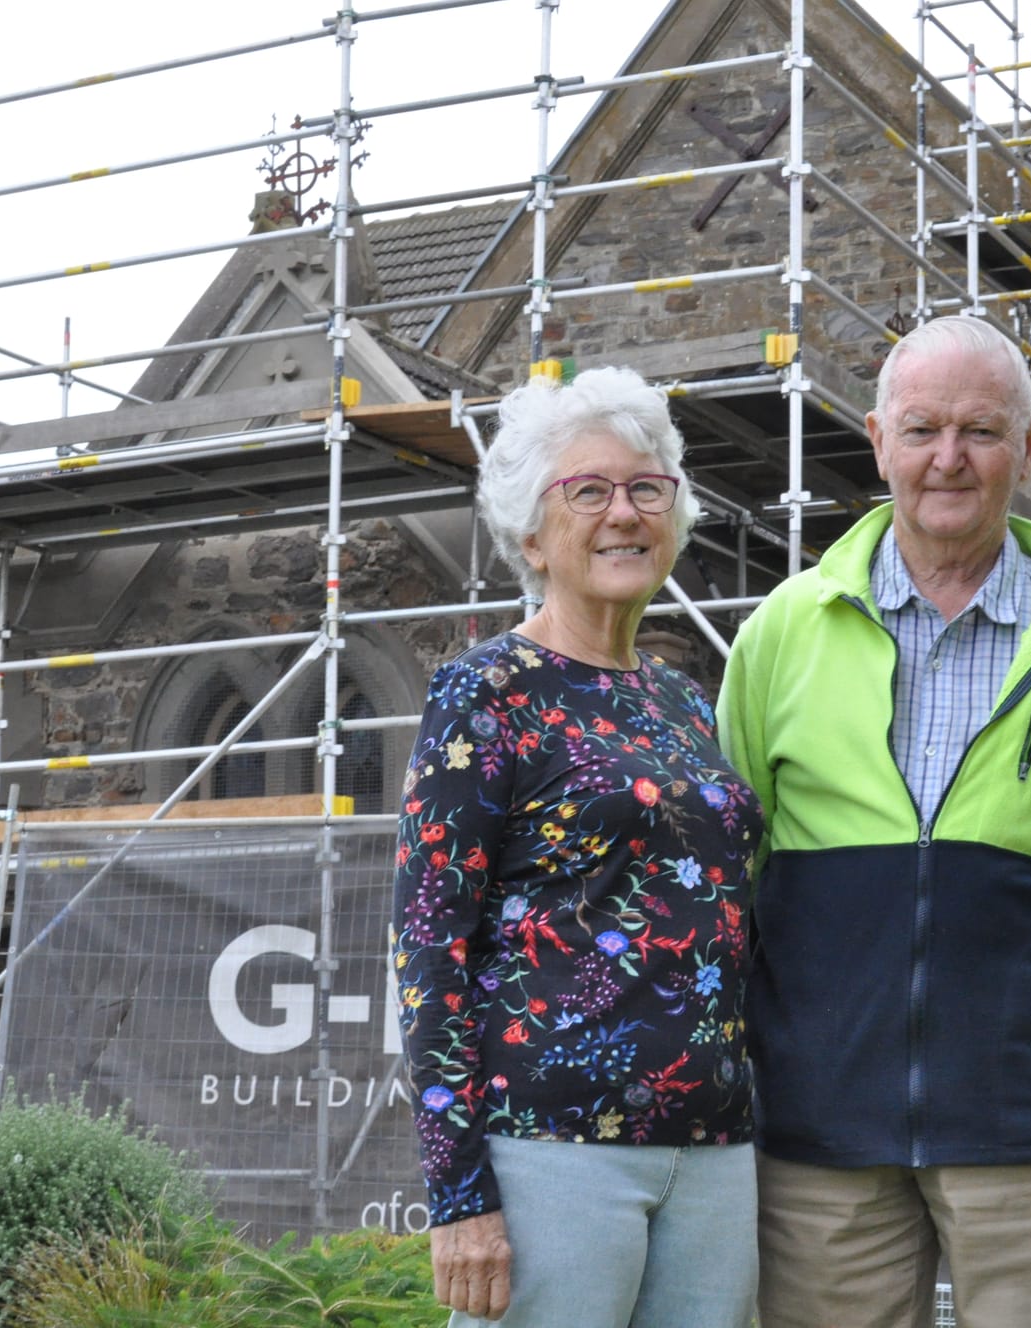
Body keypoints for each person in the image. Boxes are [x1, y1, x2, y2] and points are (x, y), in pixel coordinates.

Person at [716, 315, 1031, 1328]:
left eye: (981, 431)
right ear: (876, 439)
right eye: (921, 429)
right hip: (822, 1142)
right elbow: (732, 875)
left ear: (1029, 445)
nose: (947, 458)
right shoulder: (776, 636)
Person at [392, 365, 762, 1328]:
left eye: (648, 488)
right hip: (551, 1150)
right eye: (589, 490)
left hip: (715, 1149)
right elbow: (430, 951)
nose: (624, 513)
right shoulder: (486, 691)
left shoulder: (686, 703)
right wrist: (459, 1197)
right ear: (530, 534)